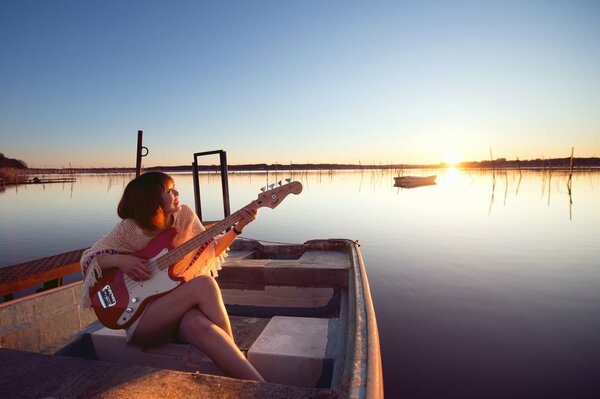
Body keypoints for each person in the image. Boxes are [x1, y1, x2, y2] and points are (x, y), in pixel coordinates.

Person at [80, 171, 264, 382]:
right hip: (139, 315)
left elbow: (210, 248)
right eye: (169, 190)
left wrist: (238, 227)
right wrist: (121, 261)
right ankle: (238, 360)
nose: (177, 192)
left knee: (201, 327)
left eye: (174, 187)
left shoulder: (184, 215)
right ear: (152, 201)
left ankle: (259, 388)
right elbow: (89, 258)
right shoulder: (131, 228)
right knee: (204, 283)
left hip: (175, 306)